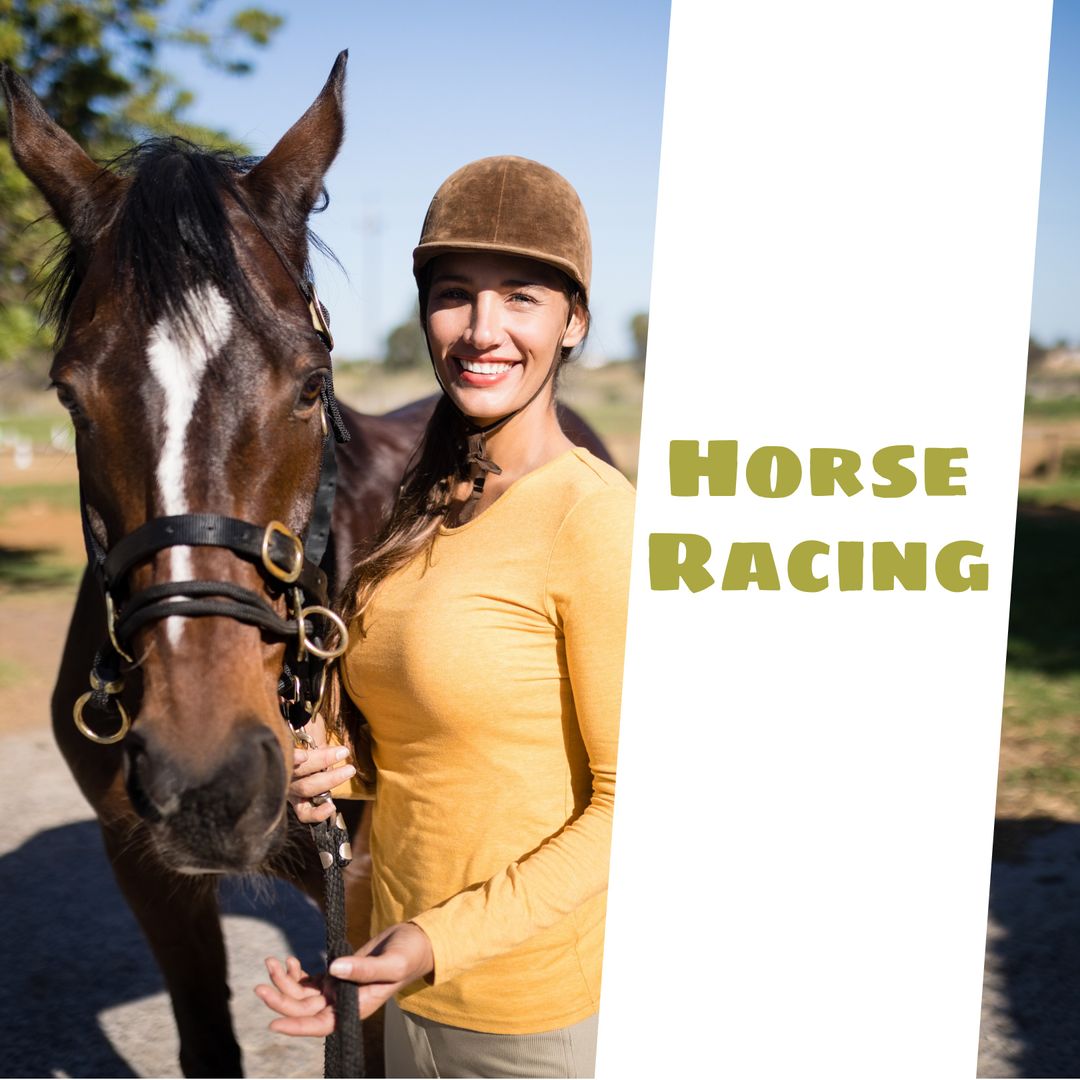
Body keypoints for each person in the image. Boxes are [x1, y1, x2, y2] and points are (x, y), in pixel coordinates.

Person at [255, 155, 635, 1078]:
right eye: (454, 294)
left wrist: (429, 942)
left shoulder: (596, 519)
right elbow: (411, 735)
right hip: (386, 979)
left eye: (522, 299)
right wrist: (324, 762)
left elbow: (634, 808)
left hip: (517, 1016)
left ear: (574, 320)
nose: (481, 330)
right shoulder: (427, 503)